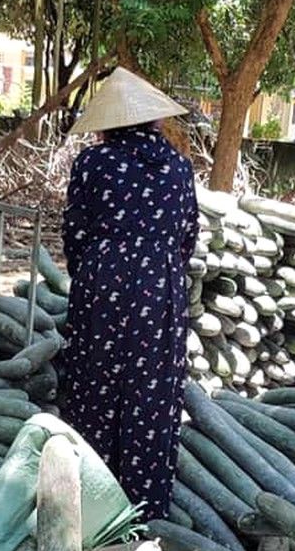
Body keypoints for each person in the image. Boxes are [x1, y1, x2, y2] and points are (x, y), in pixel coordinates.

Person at [57, 67, 199, 521]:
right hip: (161, 283)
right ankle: (143, 508)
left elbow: (76, 231)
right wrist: (161, 269)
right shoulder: (178, 166)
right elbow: (187, 235)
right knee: (150, 391)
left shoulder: (93, 163)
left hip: (106, 279)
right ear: (155, 119)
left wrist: (91, 276)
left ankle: (91, 507)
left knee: (94, 383)